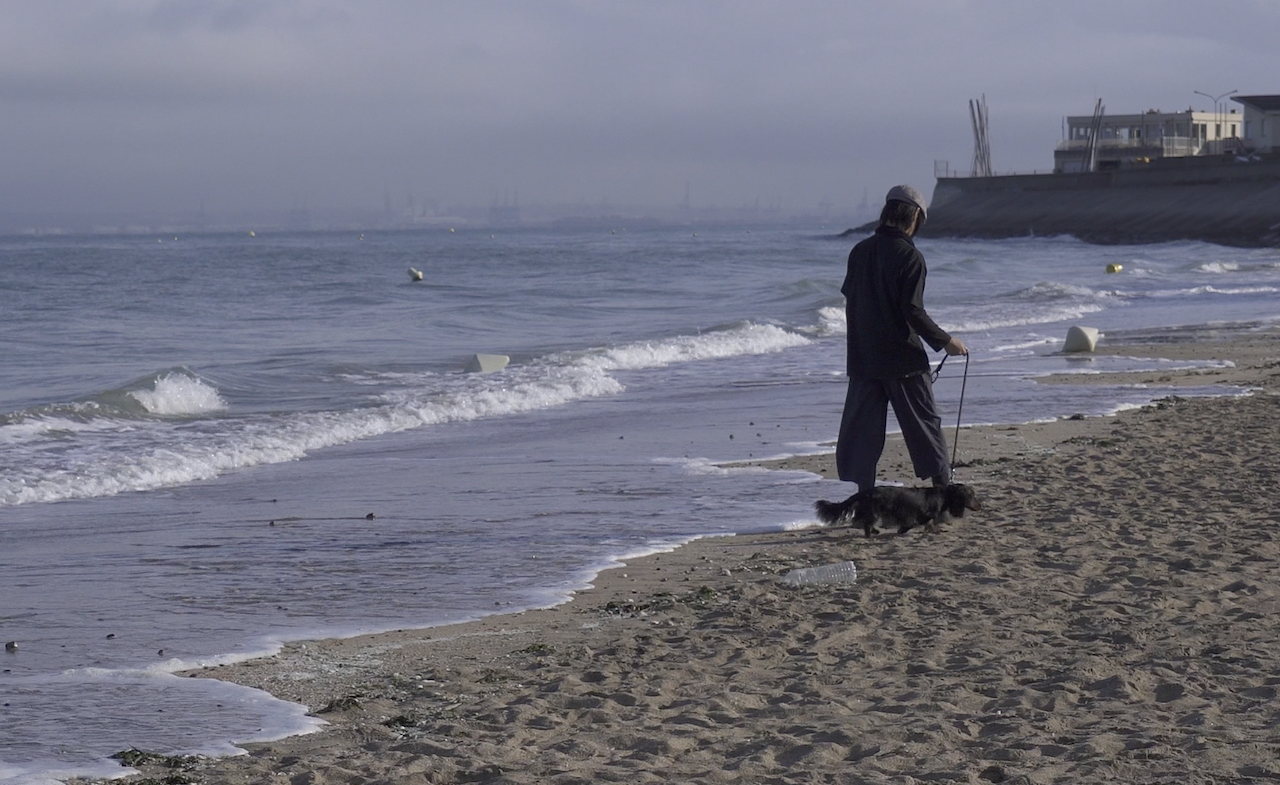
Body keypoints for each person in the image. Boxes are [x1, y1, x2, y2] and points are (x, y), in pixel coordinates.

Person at [836, 184, 968, 494]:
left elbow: (851, 304)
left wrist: (857, 349)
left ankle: (864, 501)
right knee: (925, 429)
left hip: (863, 359)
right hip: (903, 360)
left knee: (863, 435)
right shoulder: (910, 256)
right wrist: (947, 341)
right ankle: (942, 495)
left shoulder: (860, 251)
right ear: (916, 217)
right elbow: (912, 311)